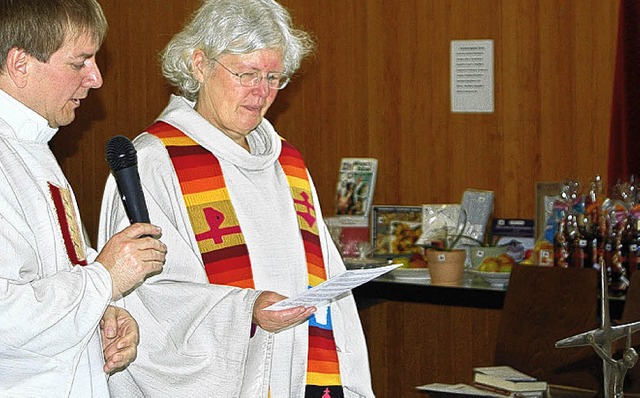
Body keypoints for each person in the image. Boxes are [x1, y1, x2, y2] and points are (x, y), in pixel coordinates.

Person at [98, 0, 375, 396]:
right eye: (246, 73)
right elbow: (144, 301)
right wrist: (248, 309)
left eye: (274, 77)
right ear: (199, 64)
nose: (261, 92)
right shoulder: (156, 162)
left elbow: (329, 286)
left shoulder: (287, 163)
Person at [0, 0, 168, 396]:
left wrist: (102, 318)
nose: (95, 79)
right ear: (20, 64)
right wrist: (104, 280)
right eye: (80, 63)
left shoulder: (33, 144)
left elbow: (51, 274)